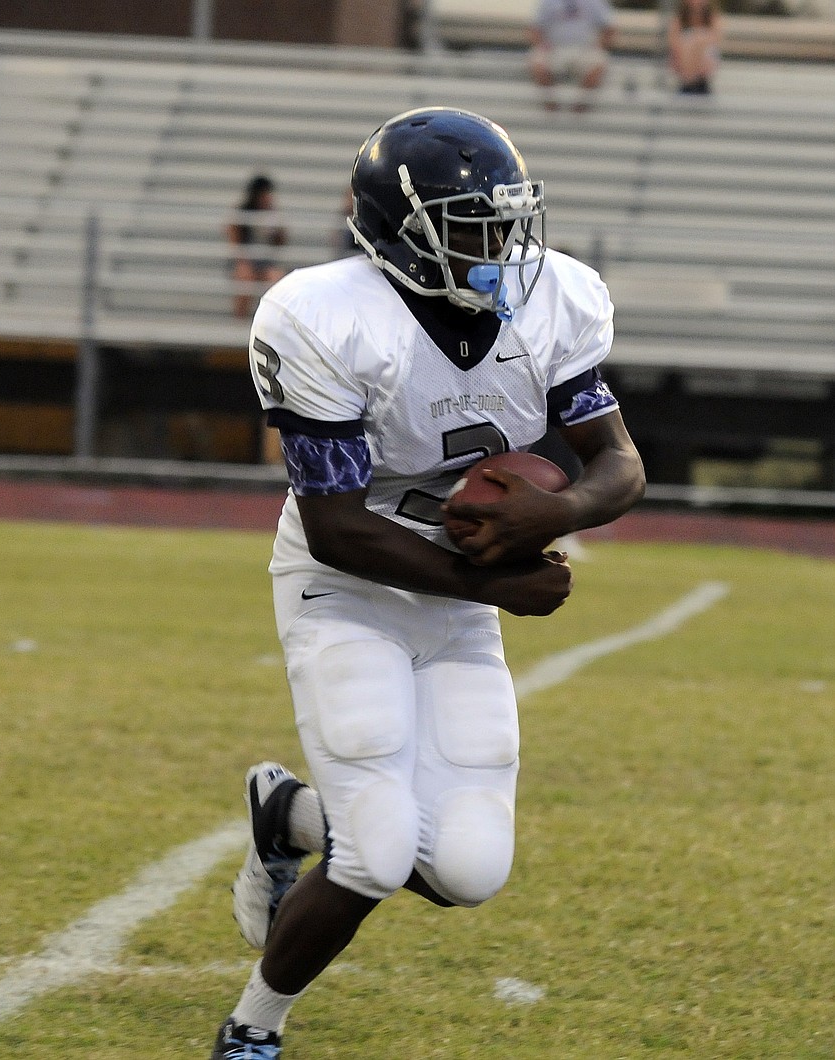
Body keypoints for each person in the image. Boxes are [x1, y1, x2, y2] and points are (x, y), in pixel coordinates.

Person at [210, 106, 645, 1059]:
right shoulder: (324, 315)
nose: (502, 246)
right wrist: (493, 583)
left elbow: (618, 461)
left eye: (506, 221)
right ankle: (253, 1028)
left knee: (468, 869)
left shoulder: (553, 302)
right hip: (348, 581)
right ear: (400, 236)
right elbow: (335, 526)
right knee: (371, 850)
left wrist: (557, 515)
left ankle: (286, 815)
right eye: (473, 225)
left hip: (455, 591)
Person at [527, 0, 616, 111]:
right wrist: (542, 45)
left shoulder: (595, 2)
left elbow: (609, 28)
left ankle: (579, 109)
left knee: (599, 62)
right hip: (554, 49)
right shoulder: (548, 2)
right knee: (537, 61)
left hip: (585, 50)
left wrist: (599, 45)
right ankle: (551, 108)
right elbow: (535, 28)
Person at [228, 174, 289, 319]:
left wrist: (275, 229)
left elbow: (282, 241)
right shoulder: (241, 213)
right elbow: (234, 242)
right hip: (246, 260)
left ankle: (273, 321)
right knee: (245, 278)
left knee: (277, 279)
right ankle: (240, 318)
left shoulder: (273, 214)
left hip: (265, 263)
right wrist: (244, 261)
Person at [668, 0, 723, 95]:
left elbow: (715, 39)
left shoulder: (712, 18)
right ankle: (690, 81)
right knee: (692, 40)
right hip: (685, 73)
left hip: (702, 73)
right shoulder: (679, 19)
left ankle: (692, 80)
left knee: (699, 39)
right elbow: (674, 45)